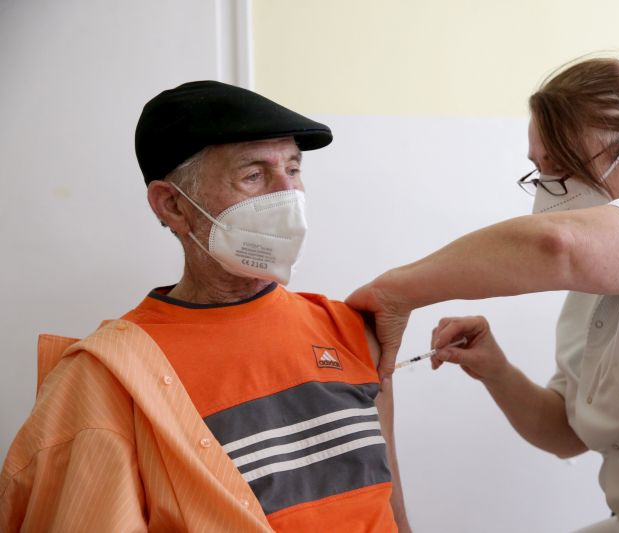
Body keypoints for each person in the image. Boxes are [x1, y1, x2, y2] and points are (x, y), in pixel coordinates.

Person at [346, 48, 619, 532]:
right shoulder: (593, 294)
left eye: (562, 168)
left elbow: (556, 244)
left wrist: (396, 292)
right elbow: (565, 434)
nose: (548, 189)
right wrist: (496, 370)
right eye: (539, 168)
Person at [1, 81, 409, 532]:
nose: (287, 195)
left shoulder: (348, 329)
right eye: (254, 176)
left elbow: (391, 508)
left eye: (293, 169)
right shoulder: (111, 377)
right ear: (173, 205)